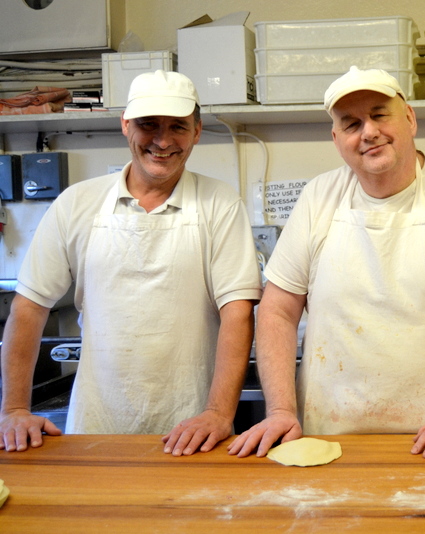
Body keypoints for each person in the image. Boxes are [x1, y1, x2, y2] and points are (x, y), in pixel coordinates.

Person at [228, 66, 425, 460]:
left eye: (379, 114)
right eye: (351, 123)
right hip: (329, 434)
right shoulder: (319, 196)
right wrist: (282, 410)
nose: (368, 132)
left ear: (409, 118)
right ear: (337, 140)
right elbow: (277, 311)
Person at [0, 70, 262, 456]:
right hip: (95, 427)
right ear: (125, 124)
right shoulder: (77, 203)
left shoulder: (220, 204)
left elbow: (238, 313)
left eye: (178, 127)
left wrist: (219, 413)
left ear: (197, 131)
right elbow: (29, 308)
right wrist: (14, 409)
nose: (163, 140)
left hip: (193, 430)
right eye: (148, 125)